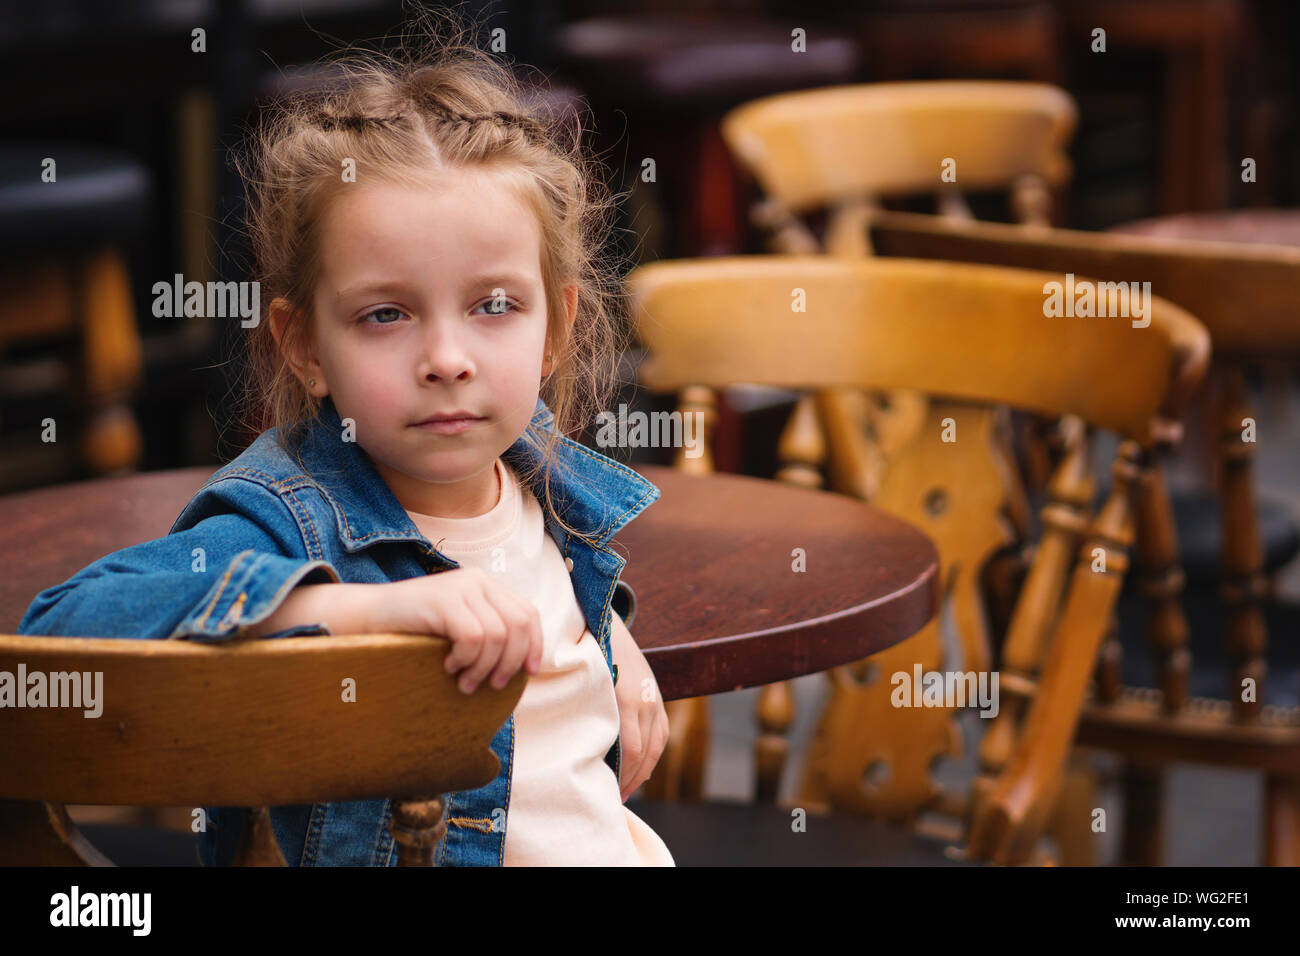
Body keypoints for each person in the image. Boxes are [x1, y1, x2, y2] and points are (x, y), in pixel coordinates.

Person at [18, 18, 674, 867]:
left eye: (495, 306)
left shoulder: (554, 498)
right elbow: (67, 633)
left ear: (557, 327)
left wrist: (607, 633)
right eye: (385, 315)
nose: (446, 360)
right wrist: (351, 613)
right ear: (304, 348)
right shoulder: (293, 524)